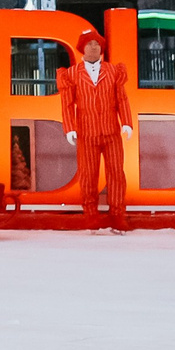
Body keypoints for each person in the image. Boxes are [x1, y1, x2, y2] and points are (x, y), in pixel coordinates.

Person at [54, 32, 132, 228]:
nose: (94, 47)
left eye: (97, 43)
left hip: (111, 132)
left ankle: (117, 214)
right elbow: (67, 104)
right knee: (88, 175)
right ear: (82, 48)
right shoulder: (71, 74)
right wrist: (70, 128)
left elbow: (122, 99)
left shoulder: (113, 71)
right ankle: (90, 213)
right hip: (86, 133)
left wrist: (127, 122)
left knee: (116, 173)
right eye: (90, 44)